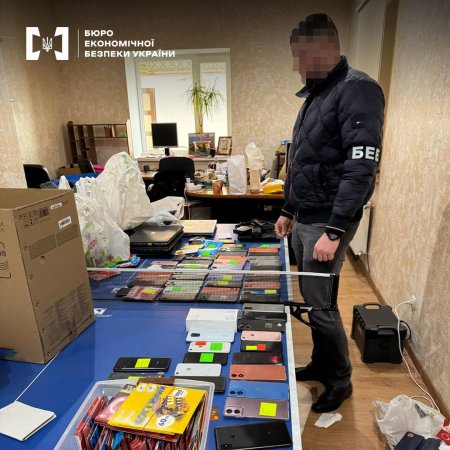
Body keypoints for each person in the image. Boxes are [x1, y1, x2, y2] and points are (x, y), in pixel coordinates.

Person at [275, 13, 384, 413]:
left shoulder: (358, 89)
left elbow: (361, 167)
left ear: (325, 49)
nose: (296, 66)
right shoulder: (317, 94)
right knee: (312, 299)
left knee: (320, 305)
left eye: (301, 57)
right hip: (308, 215)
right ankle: (321, 363)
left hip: (327, 220)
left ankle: (340, 380)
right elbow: (304, 162)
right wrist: (289, 208)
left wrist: (335, 230)